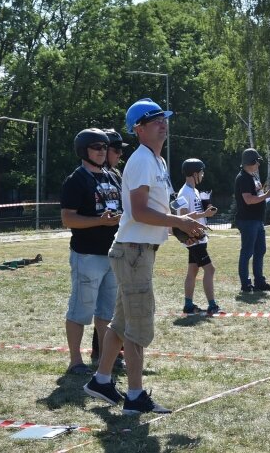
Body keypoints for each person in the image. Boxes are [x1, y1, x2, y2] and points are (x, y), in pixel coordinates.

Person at [84, 98, 206, 415]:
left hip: (138, 251)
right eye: (154, 120)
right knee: (138, 325)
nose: (162, 123)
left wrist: (185, 221)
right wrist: (178, 222)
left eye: (163, 118)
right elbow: (138, 211)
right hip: (133, 251)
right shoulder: (140, 160)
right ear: (139, 129)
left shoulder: (159, 162)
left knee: (122, 323)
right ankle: (135, 397)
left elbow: (161, 208)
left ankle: (101, 380)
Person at [61, 129, 122, 375]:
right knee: (81, 309)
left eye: (104, 147)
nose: (101, 151)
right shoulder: (76, 179)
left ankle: (105, 358)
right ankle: (76, 361)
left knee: (107, 312)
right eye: (96, 146)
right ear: (83, 150)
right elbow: (68, 219)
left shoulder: (113, 176)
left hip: (113, 254)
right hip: (87, 255)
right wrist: (100, 221)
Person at [90, 128, 128, 363]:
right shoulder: (96, 175)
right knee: (106, 306)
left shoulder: (115, 175)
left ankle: (111, 349)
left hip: (119, 244)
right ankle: (102, 352)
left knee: (114, 303)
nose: (118, 156)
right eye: (116, 151)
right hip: (97, 250)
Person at [174, 158, 221, 315]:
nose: (203, 175)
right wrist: (204, 214)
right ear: (194, 174)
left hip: (199, 236)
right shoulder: (183, 192)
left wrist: (206, 211)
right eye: (201, 172)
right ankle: (212, 305)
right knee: (210, 269)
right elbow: (182, 216)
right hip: (193, 238)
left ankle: (188, 305)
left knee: (193, 271)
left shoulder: (194, 191)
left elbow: (194, 212)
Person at [234, 147, 270, 293]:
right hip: (248, 221)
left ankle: (259, 282)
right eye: (256, 162)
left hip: (257, 220)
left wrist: (269, 197)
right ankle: (245, 284)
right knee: (247, 252)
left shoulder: (253, 176)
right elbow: (249, 200)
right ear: (250, 162)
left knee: (260, 250)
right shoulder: (243, 178)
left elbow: (258, 198)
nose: (258, 165)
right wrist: (267, 195)